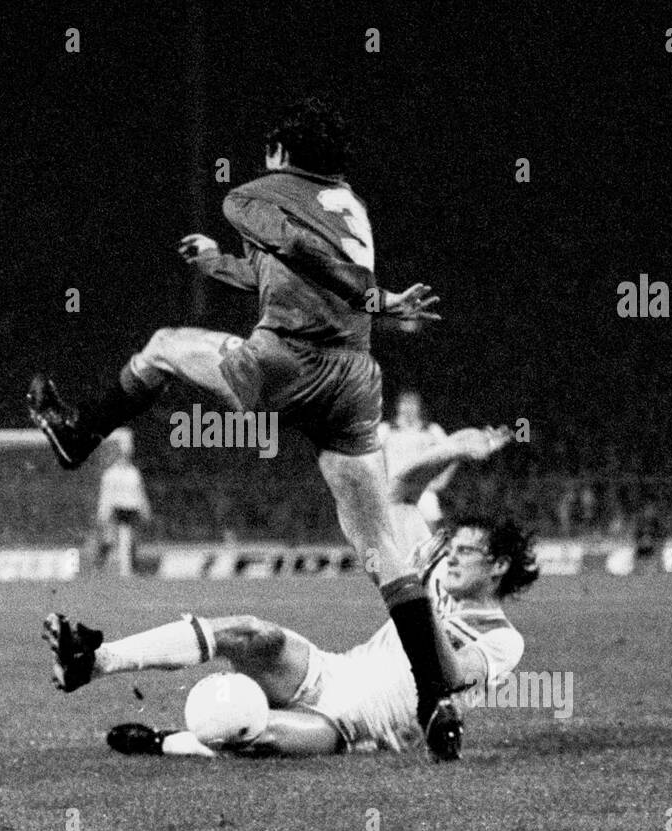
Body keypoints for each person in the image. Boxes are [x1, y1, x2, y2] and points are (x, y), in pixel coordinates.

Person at [28, 98, 467, 758]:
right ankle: (436, 698)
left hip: (283, 362)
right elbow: (289, 270)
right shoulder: (349, 203)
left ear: (282, 152)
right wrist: (220, 268)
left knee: (162, 345)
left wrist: (376, 296)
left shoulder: (254, 196)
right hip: (353, 378)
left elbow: (296, 251)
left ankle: (77, 433)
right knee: (382, 549)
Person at [43, 426, 530, 761]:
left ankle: (162, 742)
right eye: (455, 547)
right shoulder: (435, 570)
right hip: (332, 671)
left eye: (467, 552)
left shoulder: (504, 640)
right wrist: (454, 450)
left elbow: (449, 675)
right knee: (254, 633)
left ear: (499, 567)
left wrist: (421, 601)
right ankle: (95, 660)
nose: (453, 557)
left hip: (357, 727)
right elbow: (397, 492)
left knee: (260, 733)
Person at [378, 390, 451, 531]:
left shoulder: (432, 430)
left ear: (419, 406)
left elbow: (453, 454)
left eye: (412, 403)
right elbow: (368, 456)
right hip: (394, 489)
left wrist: (442, 481)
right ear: (398, 406)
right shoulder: (385, 430)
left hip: (422, 488)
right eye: (405, 403)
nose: (408, 407)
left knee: (431, 520)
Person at [93, 429, 151, 575]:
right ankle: (98, 566)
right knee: (110, 538)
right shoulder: (110, 473)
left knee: (132, 540)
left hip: (131, 509)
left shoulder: (134, 472)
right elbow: (106, 495)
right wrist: (103, 513)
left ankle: (133, 568)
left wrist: (144, 508)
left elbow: (139, 492)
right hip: (116, 509)